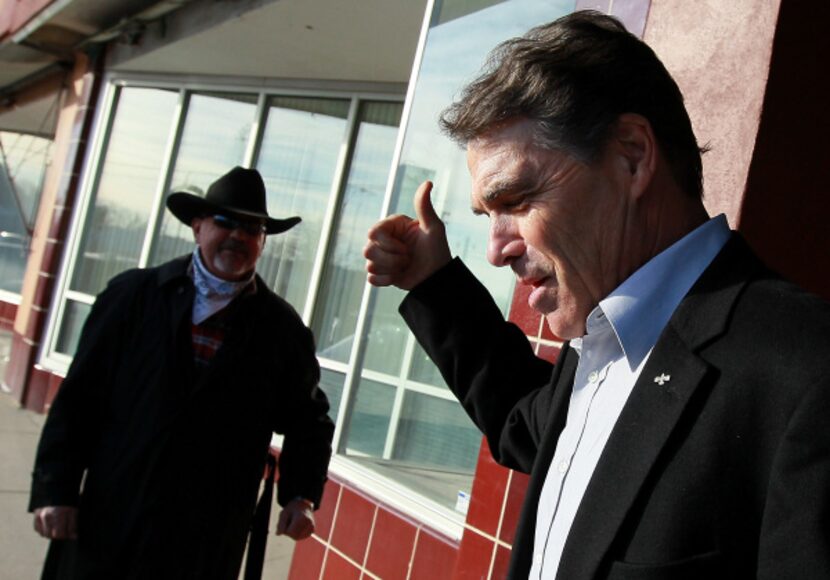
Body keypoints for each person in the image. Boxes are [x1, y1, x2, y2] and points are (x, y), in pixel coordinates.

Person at [364, 11, 830, 580]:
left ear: (632, 156)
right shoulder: (600, 345)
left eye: (515, 200)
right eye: (487, 215)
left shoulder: (807, 376)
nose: (495, 249)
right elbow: (520, 418)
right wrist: (434, 282)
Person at [30, 166, 334, 579]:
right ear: (198, 227)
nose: (238, 237)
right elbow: (80, 400)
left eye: (252, 228)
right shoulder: (133, 297)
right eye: (225, 222)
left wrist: (300, 496)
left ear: (262, 242)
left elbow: (308, 420)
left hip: (203, 540)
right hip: (111, 518)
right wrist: (56, 489)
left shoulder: (281, 329)